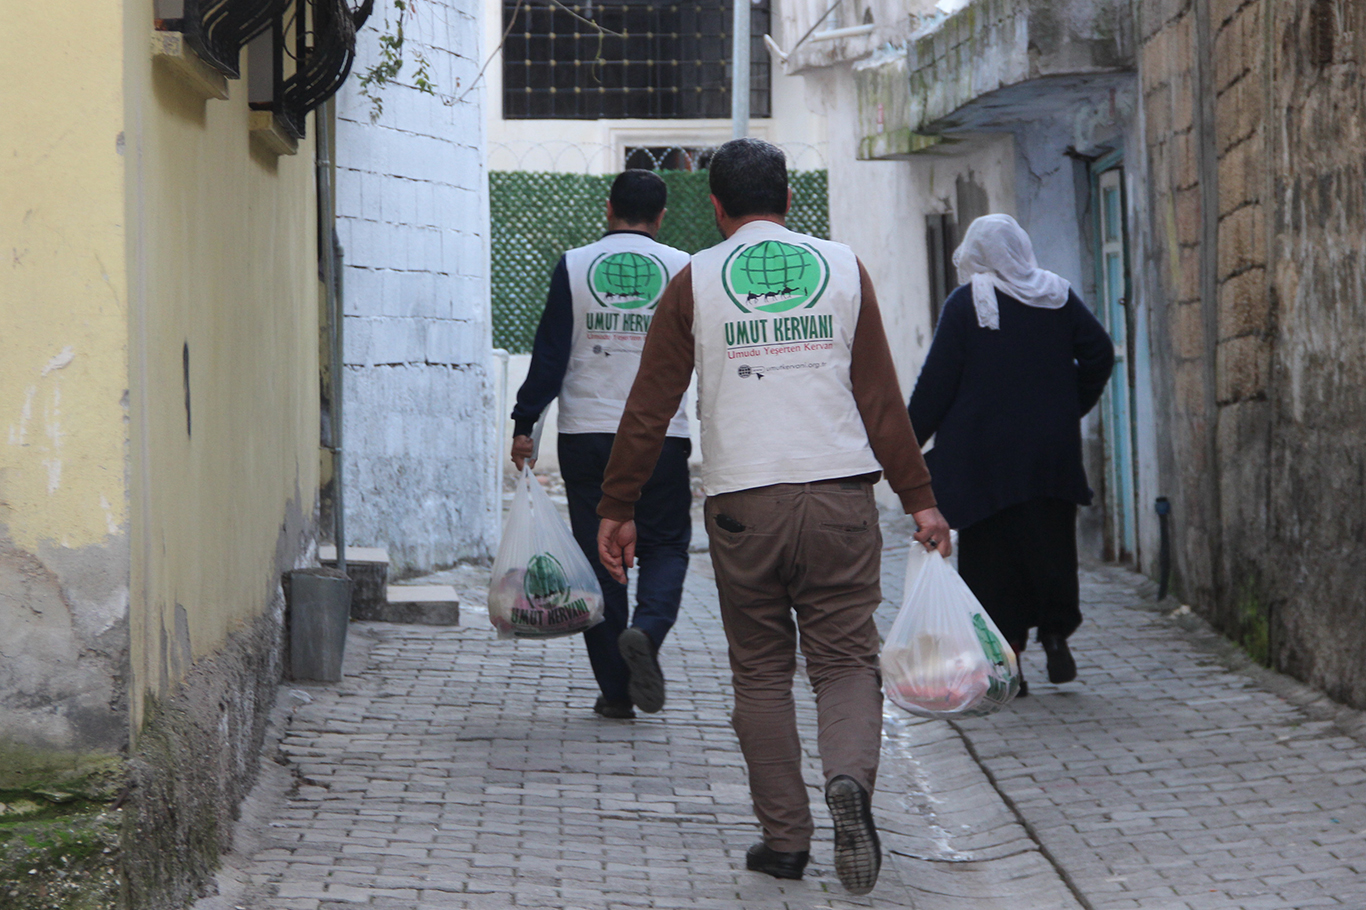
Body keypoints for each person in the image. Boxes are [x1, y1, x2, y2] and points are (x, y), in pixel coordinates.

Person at [595, 138, 950, 896]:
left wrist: (617, 506)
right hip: (841, 501)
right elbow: (881, 400)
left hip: (741, 505)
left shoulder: (694, 282)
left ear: (715, 207)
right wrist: (919, 498)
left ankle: (785, 842)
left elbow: (650, 407)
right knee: (846, 662)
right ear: (790, 201)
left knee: (760, 673)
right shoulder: (844, 269)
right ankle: (849, 781)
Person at [510, 169, 693, 721]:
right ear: (662, 216)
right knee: (664, 546)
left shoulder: (574, 265)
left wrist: (524, 424)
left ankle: (615, 691)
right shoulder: (686, 268)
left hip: (586, 435)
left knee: (599, 557)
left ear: (607, 208)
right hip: (662, 433)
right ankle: (648, 631)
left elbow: (550, 354)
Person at [907, 213, 1115, 695]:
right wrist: (1067, 407)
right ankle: (1057, 636)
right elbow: (1100, 353)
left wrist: (905, 448)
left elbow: (936, 385)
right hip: (1049, 456)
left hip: (986, 464)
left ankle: (1009, 662)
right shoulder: (1056, 295)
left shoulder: (967, 303)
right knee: (1051, 548)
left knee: (993, 562)